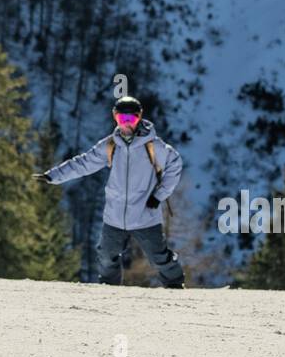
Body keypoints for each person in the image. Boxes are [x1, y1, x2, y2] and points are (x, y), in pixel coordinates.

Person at [34, 96, 185, 287]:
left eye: (131, 119)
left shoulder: (153, 146)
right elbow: (83, 163)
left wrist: (159, 195)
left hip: (145, 215)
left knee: (159, 258)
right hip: (114, 216)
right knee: (106, 257)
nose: (127, 124)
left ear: (139, 118)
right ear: (115, 118)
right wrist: (52, 176)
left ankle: (176, 286)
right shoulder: (110, 145)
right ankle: (109, 290)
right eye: (122, 119)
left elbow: (175, 164)